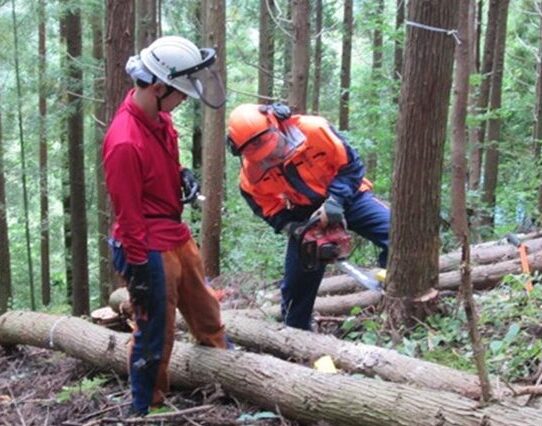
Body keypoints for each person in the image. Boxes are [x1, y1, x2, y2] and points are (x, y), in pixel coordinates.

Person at [103, 35, 227, 416]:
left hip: (175, 234)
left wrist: (181, 177)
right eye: (180, 93)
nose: (184, 99)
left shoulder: (162, 121)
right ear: (158, 87)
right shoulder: (124, 142)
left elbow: (161, 172)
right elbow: (129, 215)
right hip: (146, 245)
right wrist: (139, 269)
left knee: (206, 310)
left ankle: (228, 375)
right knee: (156, 331)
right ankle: (146, 407)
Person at [226, 103, 390, 331]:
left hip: (349, 194)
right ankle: (296, 334)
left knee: (396, 233)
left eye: (273, 148)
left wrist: (335, 201)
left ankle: (397, 291)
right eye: (263, 157)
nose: (272, 156)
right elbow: (269, 209)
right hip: (303, 212)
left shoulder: (314, 130)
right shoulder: (250, 178)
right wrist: (295, 228)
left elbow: (351, 166)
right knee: (297, 284)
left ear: (277, 124)